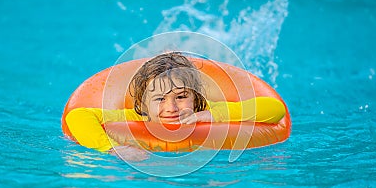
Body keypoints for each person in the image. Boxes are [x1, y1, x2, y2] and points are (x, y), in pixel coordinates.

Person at [66, 52, 286, 160]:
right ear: (143, 102)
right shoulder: (136, 116)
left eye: (181, 96)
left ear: (195, 96)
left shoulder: (207, 111)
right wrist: (112, 149)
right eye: (159, 99)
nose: (171, 107)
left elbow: (275, 110)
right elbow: (78, 116)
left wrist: (215, 115)